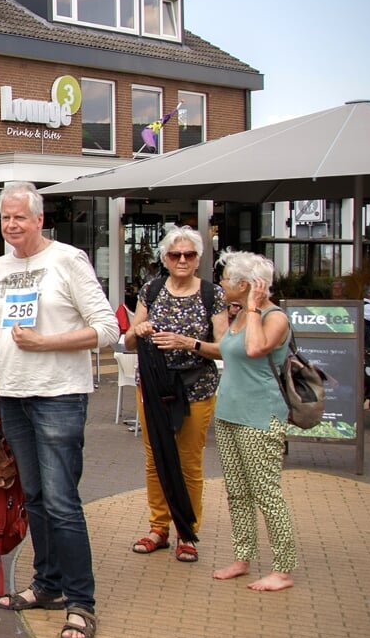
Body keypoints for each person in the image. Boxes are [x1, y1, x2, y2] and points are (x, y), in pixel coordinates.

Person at [0, 181, 118, 638]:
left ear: (40, 219)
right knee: (37, 500)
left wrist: (45, 343)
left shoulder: (67, 259)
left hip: (59, 394)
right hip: (14, 397)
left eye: (19, 216)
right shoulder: (1, 267)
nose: (11, 225)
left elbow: (106, 329)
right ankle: (47, 585)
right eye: (5, 217)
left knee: (63, 503)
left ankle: (81, 601)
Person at [124, 226, 227, 564]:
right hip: (154, 387)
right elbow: (127, 342)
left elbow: (224, 348)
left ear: (198, 259)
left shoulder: (212, 294)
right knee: (155, 459)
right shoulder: (151, 291)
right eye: (175, 254)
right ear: (165, 259)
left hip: (196, 386)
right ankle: (159, 527)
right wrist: (138, 331)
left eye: (189, 255)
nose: (182, 260)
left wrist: (189, 343)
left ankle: (187, 531)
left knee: (188, 462)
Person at [211, 250, 298, 592]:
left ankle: (283, 569)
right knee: (237, 492)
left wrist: (253, 308)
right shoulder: (239, 316)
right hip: (229, 413)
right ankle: (242, 556)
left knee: (267, 493)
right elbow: (226, 350)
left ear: (246, 285)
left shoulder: (273, 318)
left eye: (227, 279)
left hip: (260, 417)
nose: (222, 284)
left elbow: (253, 350)